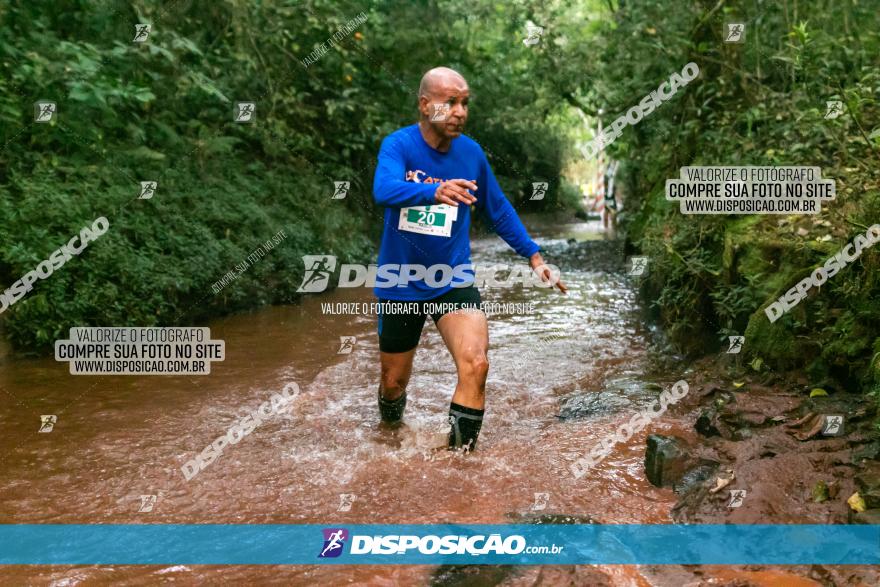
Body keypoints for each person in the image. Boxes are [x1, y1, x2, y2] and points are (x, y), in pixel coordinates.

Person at [371, 66, 567, 452]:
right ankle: (389, 431)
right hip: (400, 280)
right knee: (393, 382)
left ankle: (458, 463)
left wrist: (534, 256)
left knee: (476, 363)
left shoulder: (471, 154)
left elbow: (498, 209)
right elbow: (383, 189)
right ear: (426, 105)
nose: (460, 111)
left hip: (451, 277)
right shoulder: (398, 145)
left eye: (465, 103)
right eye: (450, 102)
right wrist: (433, 191)